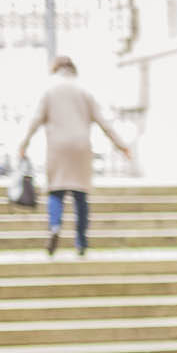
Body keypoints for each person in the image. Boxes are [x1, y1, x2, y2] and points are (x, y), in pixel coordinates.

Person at [17, 55, 129, 257]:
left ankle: (55, 226)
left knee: (56, 192)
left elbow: (34, 120)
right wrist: (122, 146)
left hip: (57, 147)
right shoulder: (84, 91)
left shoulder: (49, 91)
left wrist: (23, 144)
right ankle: (81, 241)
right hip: (80, 146)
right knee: (80, 196)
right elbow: (104, 122)